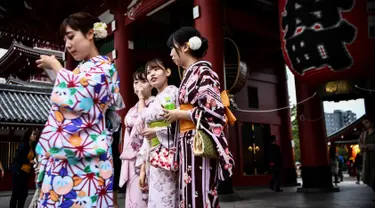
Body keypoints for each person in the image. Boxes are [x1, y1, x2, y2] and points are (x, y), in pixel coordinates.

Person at [34, 12, 122, 207]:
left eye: (71, 36)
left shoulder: (106, 67)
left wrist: (57, 66)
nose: (68, 45)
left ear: (90, 34)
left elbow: (82, 99)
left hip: (89, 155)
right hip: (66, 151)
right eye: (65, 40)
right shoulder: (80, 70)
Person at [163, 27, 235, 208]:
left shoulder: (204, 72)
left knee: (200, 192)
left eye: (173, 47)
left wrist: (180, 114)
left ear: (185, 47)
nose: (171, 53)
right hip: (187, 141)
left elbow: (214, 111)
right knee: (190, 193)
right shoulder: (191, 74)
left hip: (197, 140)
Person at [137, 59, 178, 207]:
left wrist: (157, 131)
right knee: (155, 199)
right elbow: (146, 136)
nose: (152, 74)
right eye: (148, 72)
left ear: (167, 72)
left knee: (167, 197)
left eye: (156, 69)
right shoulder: (154, 101)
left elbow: (178, 125)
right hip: (153, 155)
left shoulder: (173, 92)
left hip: (168, 154)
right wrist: (142, 169)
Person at [119, 68, 154, 208]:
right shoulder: (132, 107)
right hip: (131, 159)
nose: (138, 85)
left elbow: (142, 121)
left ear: (151, 84)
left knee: (142, 197)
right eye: (135, 82)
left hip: (145, 157)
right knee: (132, 197)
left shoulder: (153, 103)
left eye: (143, 81)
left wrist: (141, 98)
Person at [10, 129, 39, 208]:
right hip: (19, 172)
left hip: (26, 173)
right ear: (29, 136)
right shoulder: (23, 145)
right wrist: (29, 161)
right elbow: (17, 158)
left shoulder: (32, 146)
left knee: (24, 194)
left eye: (35, 134)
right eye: (33, 134)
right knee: (16, 193)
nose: (35, 136)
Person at [360, 118, 375, 202]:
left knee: (373, 178)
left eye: (367, 122)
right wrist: (362, 147)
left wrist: (368, 146)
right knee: (369, 179)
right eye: (364, 122)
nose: (365, 124)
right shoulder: (363, 134)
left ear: (372, 123)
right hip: (367, 159)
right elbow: (360, 143)